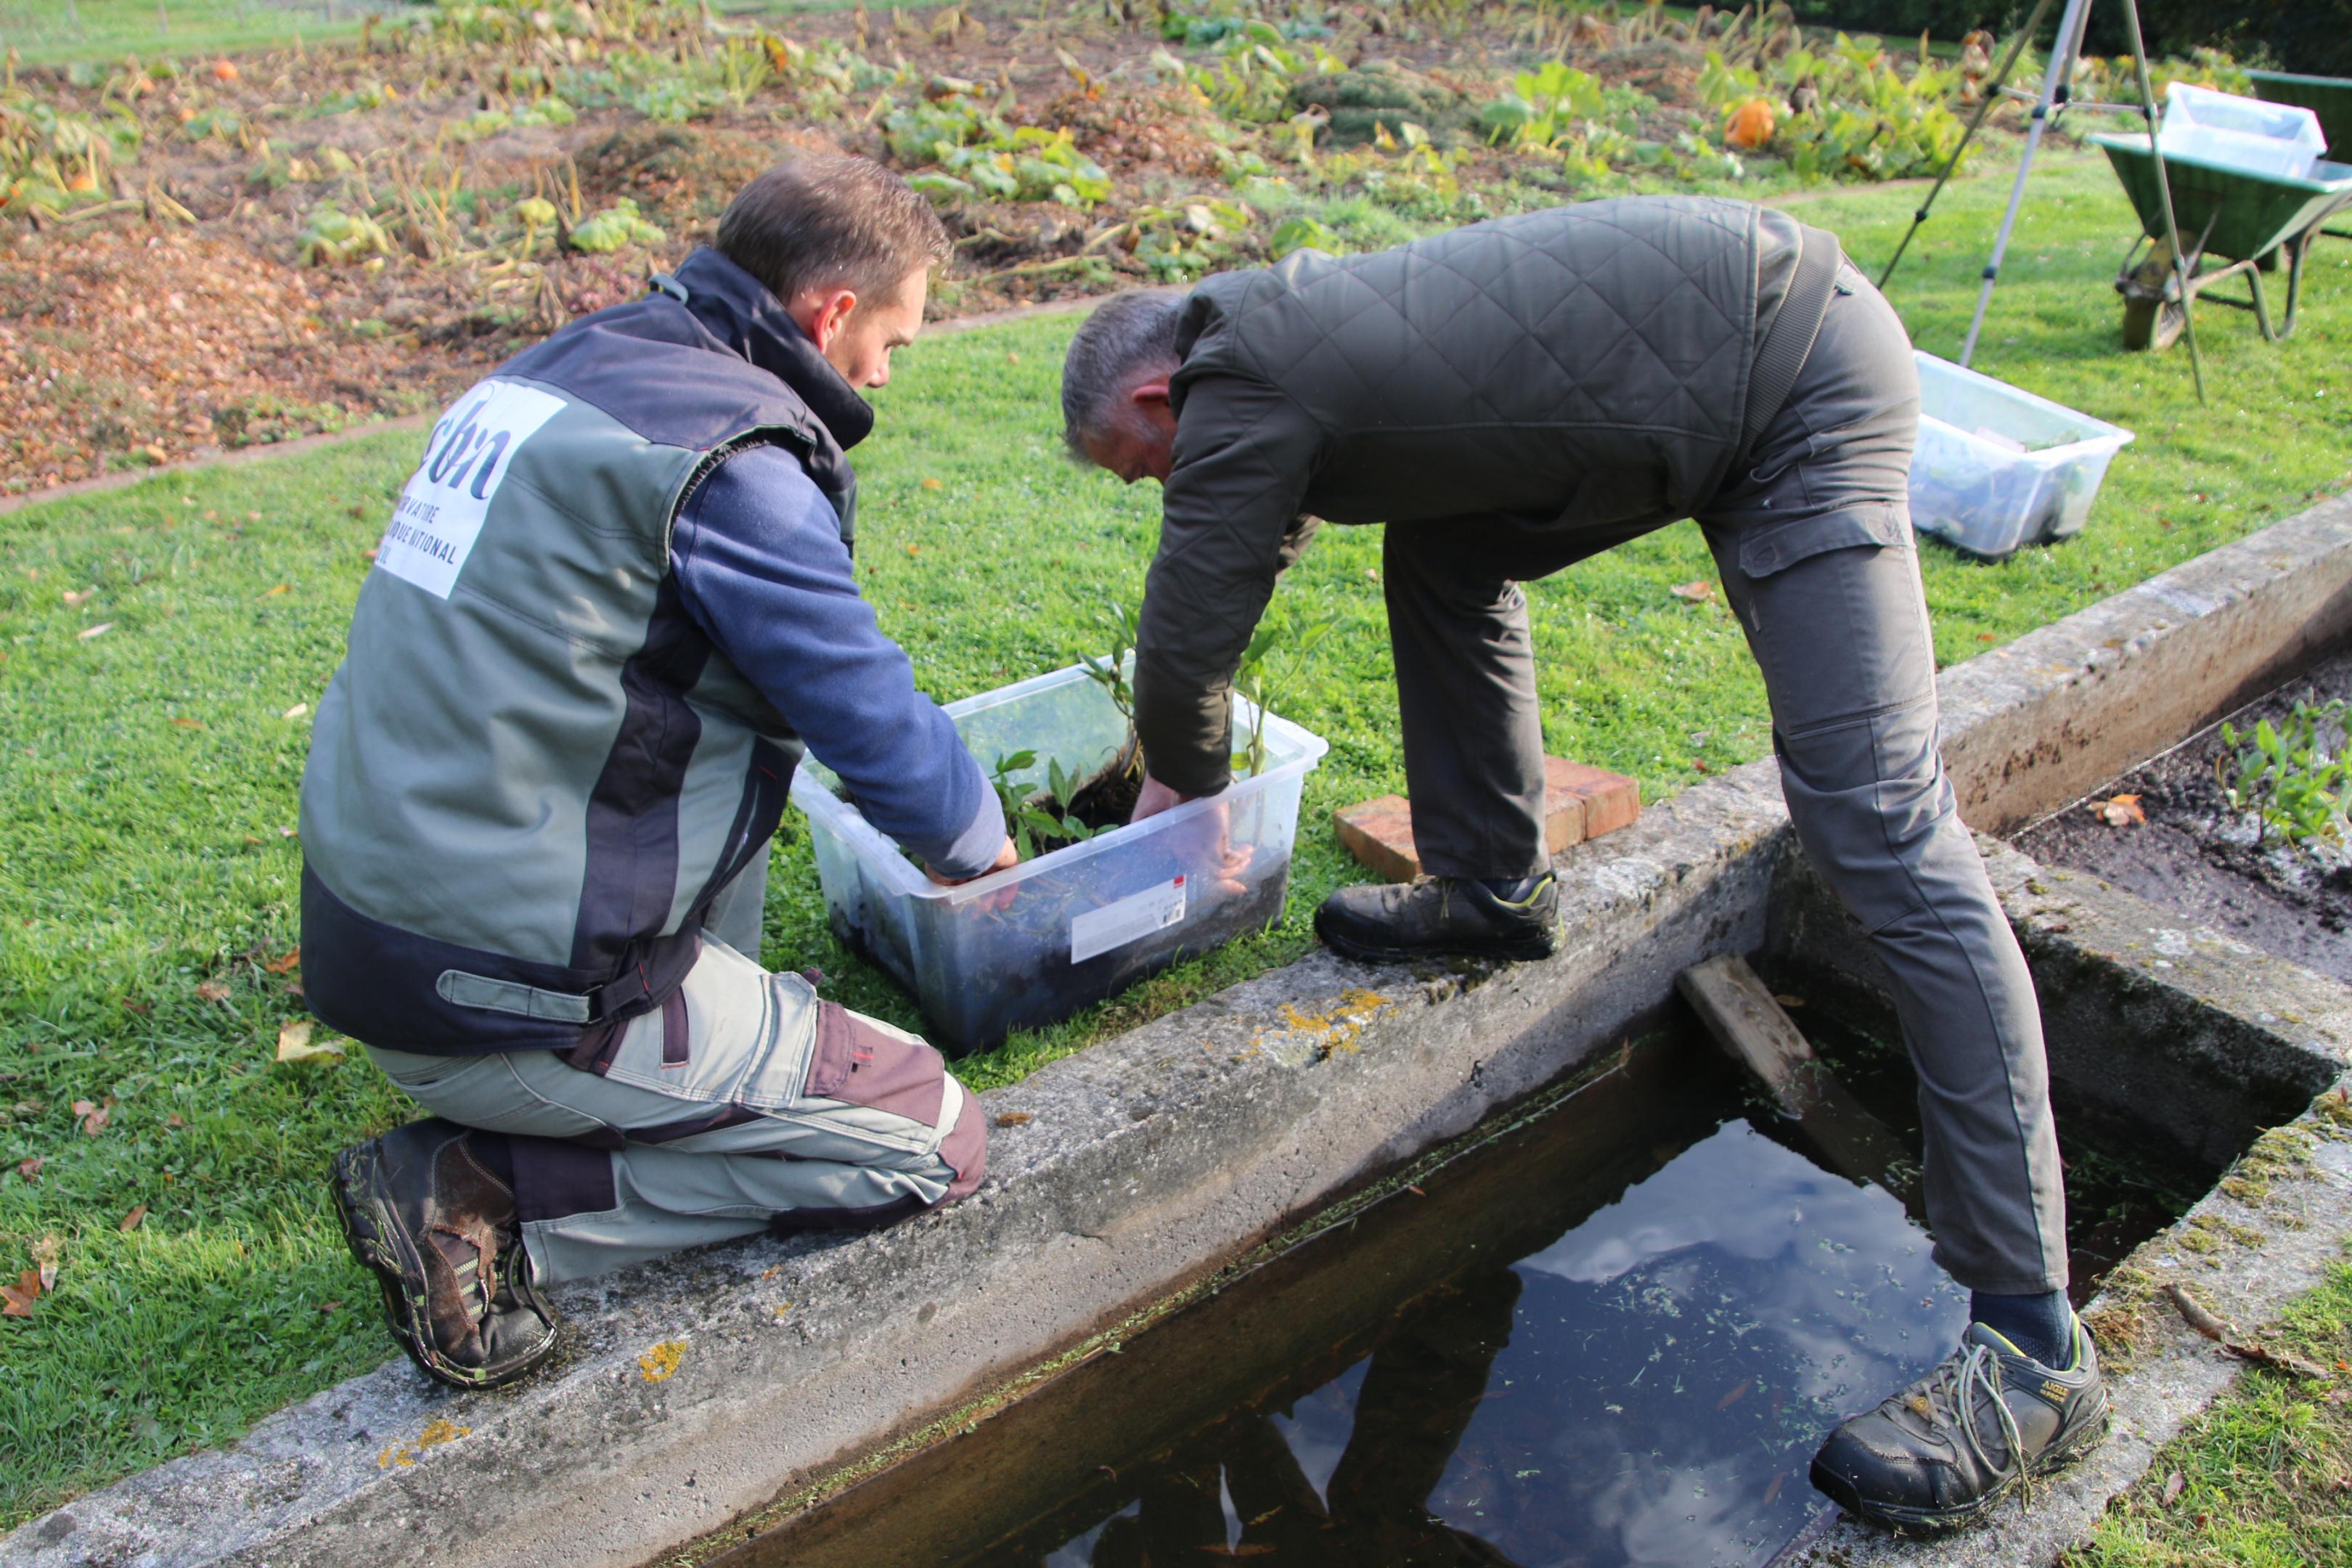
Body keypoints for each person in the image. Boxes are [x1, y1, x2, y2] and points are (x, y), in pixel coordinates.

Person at [1056, 197, 2107, 1532]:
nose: (1163, 483)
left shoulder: (1241, 377)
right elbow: (1256, 531)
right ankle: (1494, 886)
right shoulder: (1277, 340)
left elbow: (1190, 621)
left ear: (1159, 394)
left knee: (1880, 824)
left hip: (1795, 383)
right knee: (1447, 547)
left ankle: (2034, 1350)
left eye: (1143, 464)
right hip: (1704, 372)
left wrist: (1181, 798)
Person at [303, 153, 1010, 1390]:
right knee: (936, 1139)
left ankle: (685, 1058)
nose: (887, 375)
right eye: (892, 341)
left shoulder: (564, 368)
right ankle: (485, 1195)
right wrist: (985, 853)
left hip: (380, 922)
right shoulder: (731, 459)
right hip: (511, 987)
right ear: (832, 313)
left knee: (704, 718)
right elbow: (858, 699)